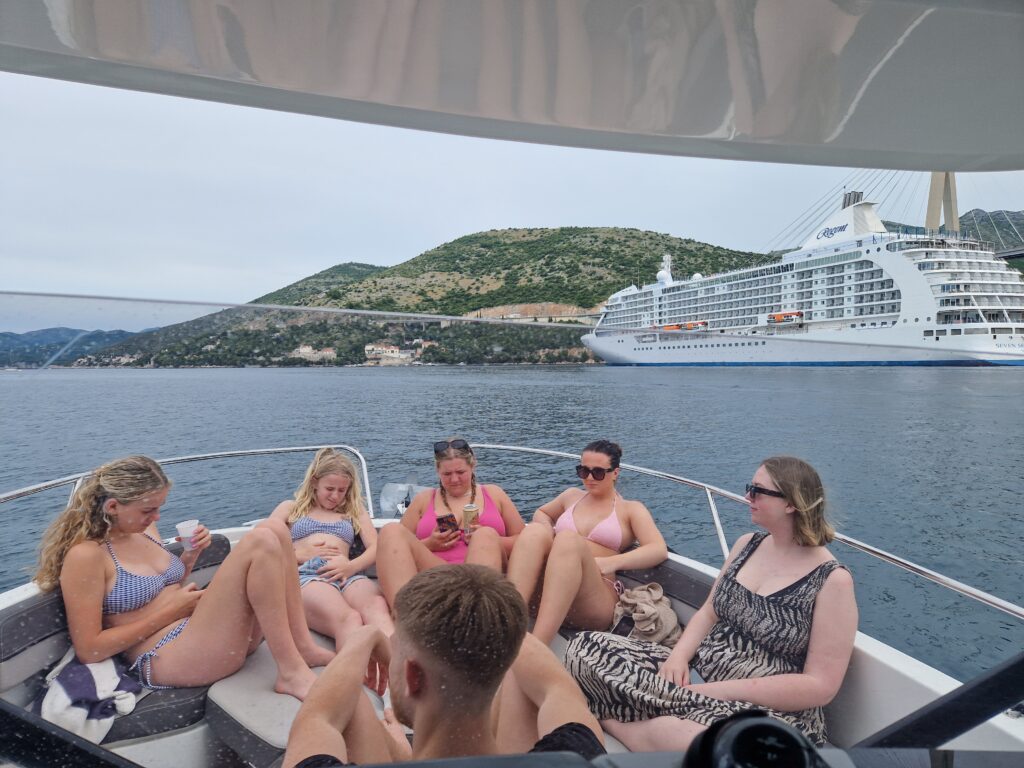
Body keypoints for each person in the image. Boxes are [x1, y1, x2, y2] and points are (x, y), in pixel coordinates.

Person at [566, 456, 858, 749]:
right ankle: (664, 720)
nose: (747, 497)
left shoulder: (831, 581)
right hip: (699, 672)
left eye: (757, 490)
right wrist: (678, 657)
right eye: (749, 488)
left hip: (766, 707)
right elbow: (709, 611)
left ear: (790, 503)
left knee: (698, 741)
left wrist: (714, 692)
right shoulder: (748, 545)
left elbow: (819, 687)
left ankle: (613, 721)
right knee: (584, 649)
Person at [35, 456, 334, 700]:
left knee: (276, 530)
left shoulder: (143, 531)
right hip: (165, 655)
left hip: (204, 636)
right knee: (261, 541)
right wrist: (172, 611)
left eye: (159, 508)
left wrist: (188, 558)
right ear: (113, 507)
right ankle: (291, 672)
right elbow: (90, 649)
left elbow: (162, 588)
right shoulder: (87, 555)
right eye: (148, 510)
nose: (157, 519)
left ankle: (302, 647)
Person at [283, 564, 605, 767]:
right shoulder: (575, 756)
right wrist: (490, 625)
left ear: (412, 676)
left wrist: (363, 638)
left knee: (345, 697)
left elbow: (317, 719)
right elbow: (555, 687)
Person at [506, 439, 668, 644]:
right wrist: (548, 531)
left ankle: (537, 648)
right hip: (549, 592)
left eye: (598, 472)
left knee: (567, 540)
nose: (590, 478)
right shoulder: (571, 496)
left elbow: (657, 549)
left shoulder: (630, 509)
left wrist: (611, 562)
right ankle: (507, 626)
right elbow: (542, 513)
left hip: (593, 599)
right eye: (583, 471)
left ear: (615, 473)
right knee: (535, 532)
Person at [376, 438, 524, 605]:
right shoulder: (423, 500)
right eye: (447, 474)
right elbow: (395, 545)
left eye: (461, 472)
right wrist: (429, 544)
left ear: (472, 466)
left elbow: (523, 541)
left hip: (482, 571)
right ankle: (402, 617)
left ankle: (477, 611)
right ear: (438, 471)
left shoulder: (495, 494)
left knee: (485, 536)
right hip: (437, 570)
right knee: (390, 530)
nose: (454, 480)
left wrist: (489, 539)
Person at [270, 448, 394, 645]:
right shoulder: (290, 508)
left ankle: (397, 668)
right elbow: (262, 546)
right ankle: (354, 673)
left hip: (347, 573)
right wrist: (298, 554)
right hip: (307, 574)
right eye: (329, 489)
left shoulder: (354, 511)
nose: (335, 496)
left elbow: (376, 547)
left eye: (342, 490)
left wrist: (351, 566)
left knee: (376, 606)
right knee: (349, 618)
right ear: (314, 482)